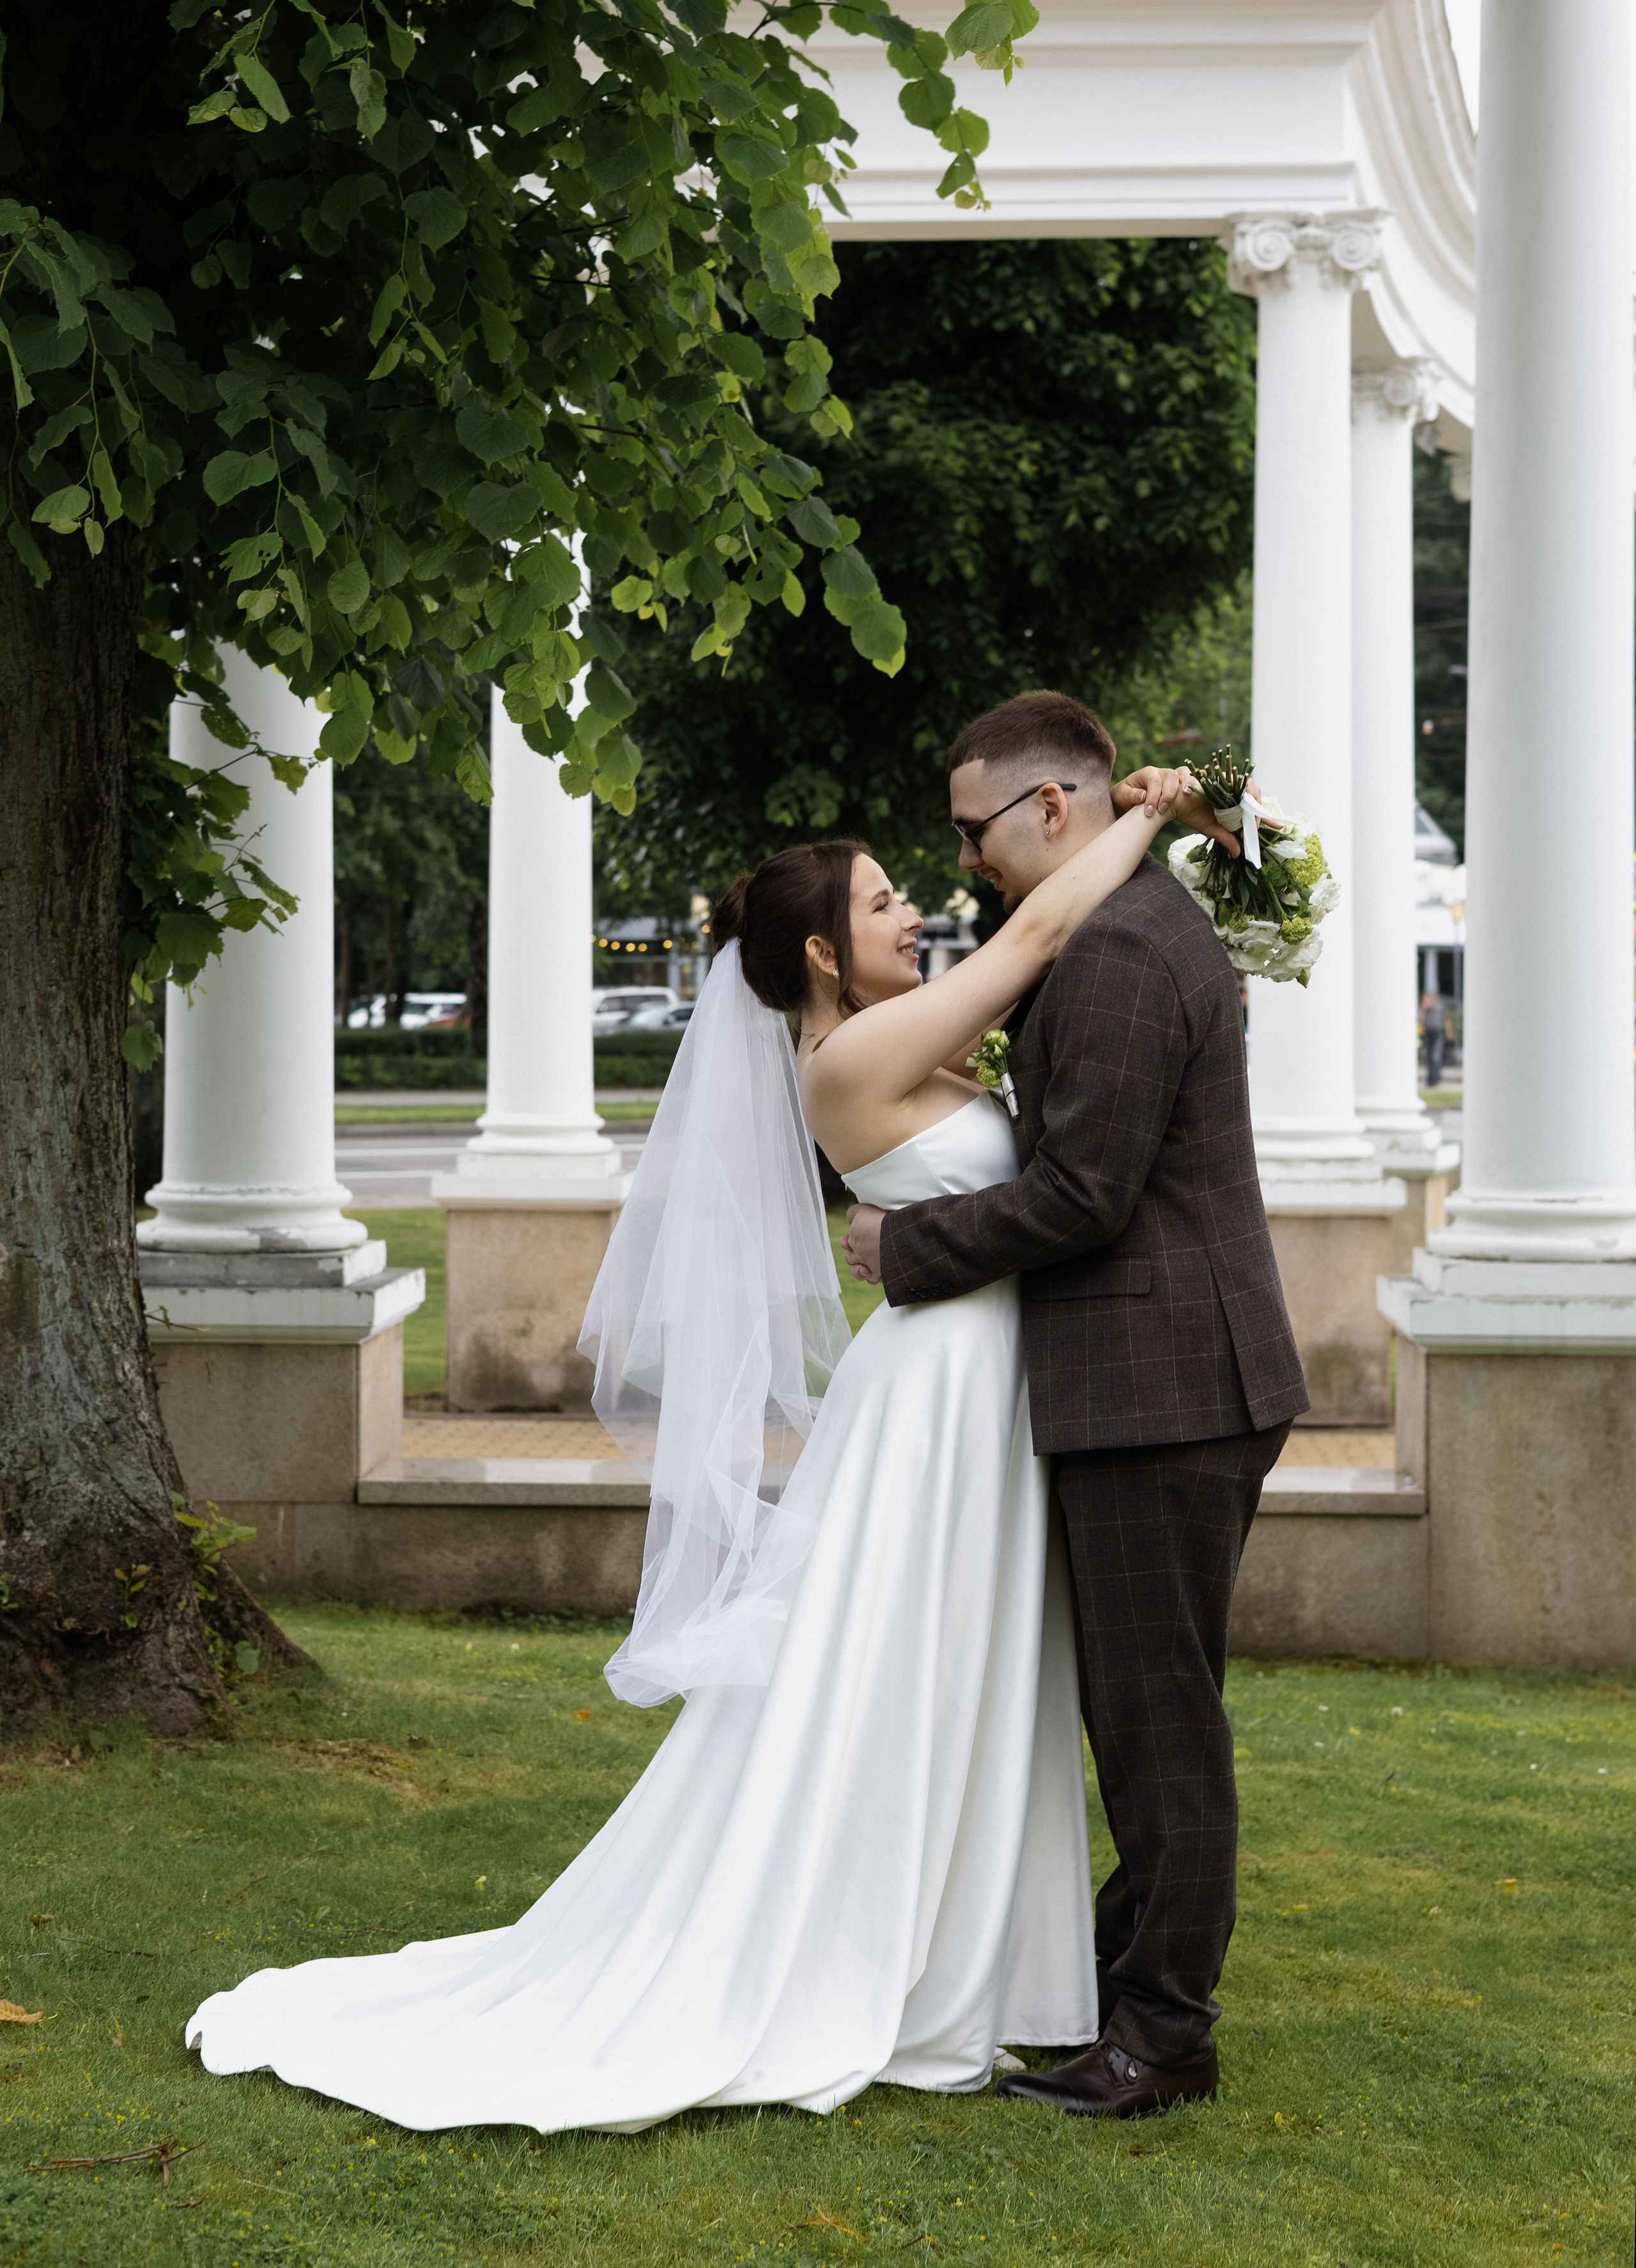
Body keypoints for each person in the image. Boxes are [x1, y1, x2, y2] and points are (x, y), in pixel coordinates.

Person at [184, 755, 1233, 2136]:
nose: (912, 910)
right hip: (941, 1395)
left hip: (989, 1382)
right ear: (821, 953)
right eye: (880, 901)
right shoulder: (849, 1058)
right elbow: (1038, 932)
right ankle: (894, 1953)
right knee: (902, 1669)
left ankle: (983, 1952)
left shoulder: (904, 1033)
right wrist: (1153, 813)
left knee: (971, 1671)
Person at [845, 689, 1309, 2120]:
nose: (962, 859)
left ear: (1052, 806)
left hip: (1162, 1387)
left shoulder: (1115, 951)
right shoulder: (1129, 918)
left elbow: (1082, 1195)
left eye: (971, 829)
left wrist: (901, 1248)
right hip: (1173, 1375)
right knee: (1151, 1707)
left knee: (1157, 1724)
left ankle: (1161, 2035)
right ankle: (1124, 1978)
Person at [1421, 988, 1448, 1091]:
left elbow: (1446, 1020)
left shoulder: (1439, 1007)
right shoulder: (1425, 1009)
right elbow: (1420, 1020)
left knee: (1436, 1056)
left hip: (1438, 1033)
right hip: (1428, 1033)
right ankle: (1430, 1080)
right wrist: (1423, 1009)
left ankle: (1437, 1079)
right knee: (1428, 1057)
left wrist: (1449, 1033)